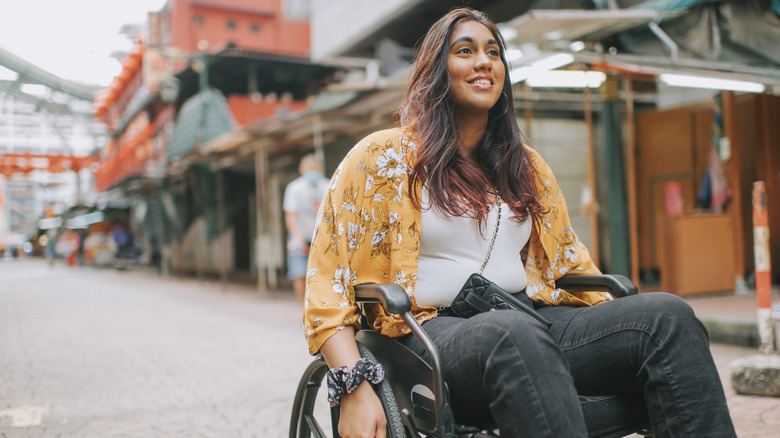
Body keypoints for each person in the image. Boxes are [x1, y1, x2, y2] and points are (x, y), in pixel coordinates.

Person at [303, 7, 736, 438]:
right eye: (465, 50)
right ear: (437, 69)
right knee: (513, 333)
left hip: (525, 314)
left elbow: (569, 263)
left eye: (494, 51)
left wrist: (614, 331)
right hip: (429, 333)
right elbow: (328, 286)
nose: (484, 61)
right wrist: (353, 384)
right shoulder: (381, 158)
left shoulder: (526, 165)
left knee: (665, 317)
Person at [284, 153, 329, 302]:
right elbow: (290, 215)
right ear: (302, 169)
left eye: (315, 169)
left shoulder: (328, 185)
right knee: (299, 273)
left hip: (322, 239)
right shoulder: (295, 188)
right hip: (300, 237)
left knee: (325, 274)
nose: (313, 172)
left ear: (321, 168)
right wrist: (297, 237)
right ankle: (304, 309)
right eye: (309, 169)